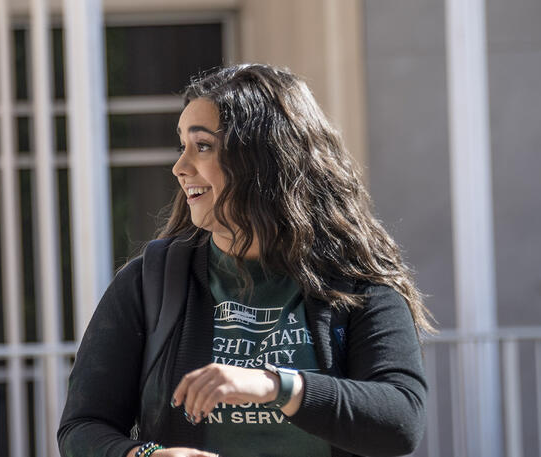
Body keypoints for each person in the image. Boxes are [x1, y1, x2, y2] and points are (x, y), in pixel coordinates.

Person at [58, 63, 434, 457]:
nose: (180, 167)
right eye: (182, 146)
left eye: (202, 146)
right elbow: (82, 427)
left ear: (263, 158)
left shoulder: (357, 280)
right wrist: (144, 455)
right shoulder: (149, 282)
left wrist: (274, 386)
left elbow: (401, 421)